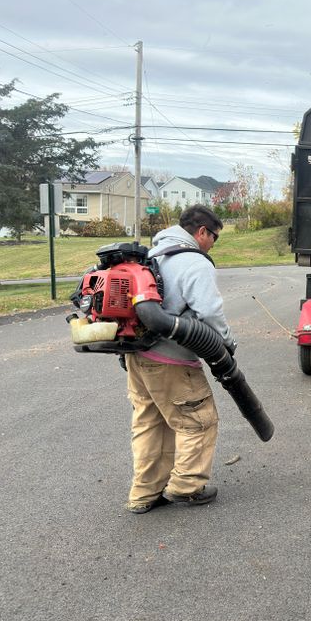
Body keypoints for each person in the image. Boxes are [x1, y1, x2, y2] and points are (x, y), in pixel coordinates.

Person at [123, 205, 236, 513]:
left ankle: (144, 493)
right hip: (171, 360)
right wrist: (227, 344)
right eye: (214, 237)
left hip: (137, 355)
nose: (213, 243)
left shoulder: (153, 255)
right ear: (201, 233)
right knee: (198, 422)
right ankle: (186, 487)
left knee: (150, 424)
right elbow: (209, 312)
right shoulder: (193, 262)